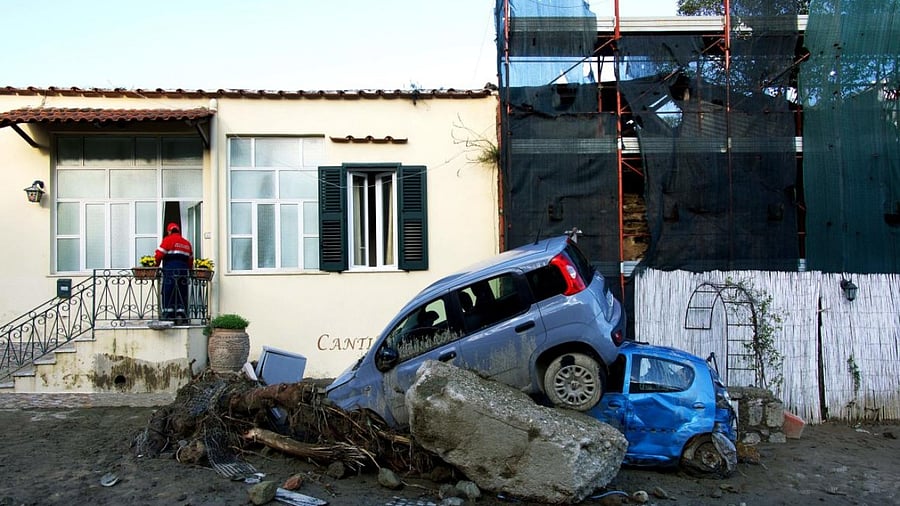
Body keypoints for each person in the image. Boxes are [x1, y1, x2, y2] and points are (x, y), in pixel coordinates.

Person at [155, 222, 193, 323]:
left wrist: (155, 266)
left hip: (170, 269)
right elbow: (190, 259)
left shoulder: (168, 240)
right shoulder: (186, 243)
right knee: (182, 291)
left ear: (169, 231)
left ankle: (169, 314)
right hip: (184, 271)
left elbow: (159, 255)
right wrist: (190, 270)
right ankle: (182, 313)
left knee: (168, 291)